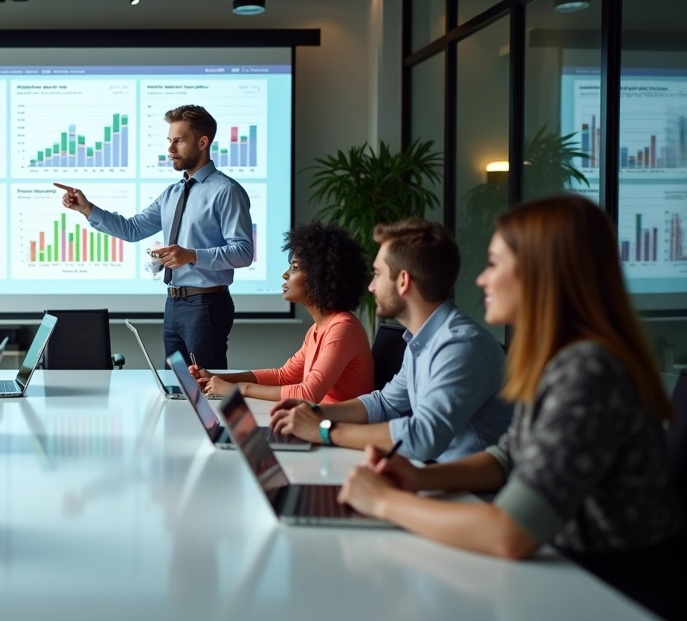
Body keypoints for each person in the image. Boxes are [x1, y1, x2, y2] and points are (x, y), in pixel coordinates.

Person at [337, 196, 685, 620]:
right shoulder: (563, 360)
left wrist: (384, 503)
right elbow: (509, 456)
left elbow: (510, 533)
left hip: (603, 593)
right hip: (564, 575)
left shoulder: (589, 371)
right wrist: (418, 476)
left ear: (542, 274)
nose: (482, 279)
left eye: (495, 264)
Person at [270, 218, 511, 463]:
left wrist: (324, 429)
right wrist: (314, 412)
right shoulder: (422, 340)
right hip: (434, 476)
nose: (372, 287)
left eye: (377, 274)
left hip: (467, 492)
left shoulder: (459, 346)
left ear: (403, 281)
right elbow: (384, 404)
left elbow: (422, 438)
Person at [57, 104, 253, 369]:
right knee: (176, 387)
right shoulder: (172, 193)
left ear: (203, 142)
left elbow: (243, 252)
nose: (170, 149)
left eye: (179, 141)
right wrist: (87, 209)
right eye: (170, 141)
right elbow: (133, 229)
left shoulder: (226, 191)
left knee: (206, 388)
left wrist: (191, 256)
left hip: (207, 305)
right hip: (174, 304)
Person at [189, 221, 373, 403]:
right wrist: (214, 377)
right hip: (318, 421)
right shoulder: (318, 329)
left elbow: (308, 394)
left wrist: (237, 389)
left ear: (321, 277)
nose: (285, 275)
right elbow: (283, 376)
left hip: (337, 428)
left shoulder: (343, 328)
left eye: (294, 268)